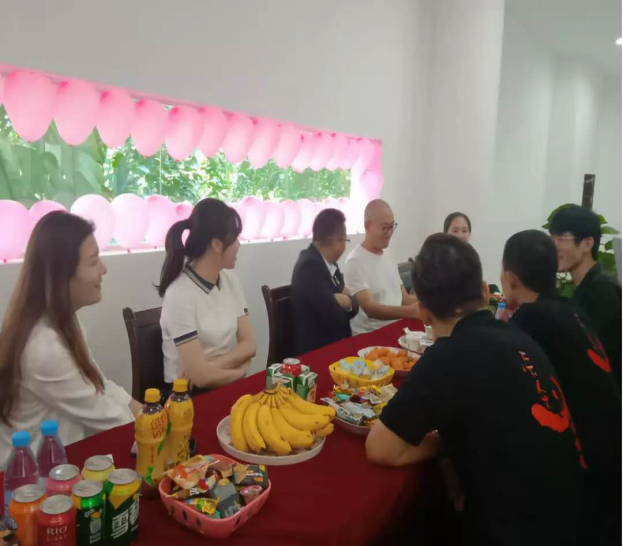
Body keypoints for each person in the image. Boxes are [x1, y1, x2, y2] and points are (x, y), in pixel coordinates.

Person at [366, 234, 584, 546]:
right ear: (484, 291)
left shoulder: (447, 356)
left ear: (423, 312)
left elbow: (380, 448)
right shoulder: (519, 337)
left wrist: (442, 442)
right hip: (580, 515)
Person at [501, 229, 621, 545]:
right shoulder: (569, 309)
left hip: (585, 489)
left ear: (510, 278)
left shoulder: (529, 322)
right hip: (612, 458)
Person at [0, 212, 139, 464]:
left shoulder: (62, 321)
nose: (103, 269)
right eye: (93, 262)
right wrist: (154, 426)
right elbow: (107, 417)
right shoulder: (44, 346)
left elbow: (98, 383)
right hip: (31, 476)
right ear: (61, 274)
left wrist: (144, 411)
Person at [159, 198, 255, 391]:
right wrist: (240, 372)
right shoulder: (179, 294)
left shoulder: (229, 278)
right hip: (186, 396)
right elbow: (200, 379)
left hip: (223, 382)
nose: (239, 245)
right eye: (235, 239)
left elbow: (249, 345)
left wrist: (212, 365)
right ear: (217, 244)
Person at [549, 205, 621, 389]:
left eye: (561, 239)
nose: (554, 247)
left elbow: (605, 359)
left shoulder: (603, 291)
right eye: (552, 239)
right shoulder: (586, 287)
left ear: (587, 244)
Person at [343, 199, 419, 334]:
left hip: (398, 329)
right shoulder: (354, 262)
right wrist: (411, 312)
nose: (389, 233)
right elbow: (371, 309)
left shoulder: (388, 256)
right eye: (385, 228)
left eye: (392, 226)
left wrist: (430, 302)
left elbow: (404, 299)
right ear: (368, 226)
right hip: (370, 336)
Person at [291, 209, 359, 354]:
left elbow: (355, 307)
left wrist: (347, 301)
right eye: (345, 240)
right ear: (336, 241)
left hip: (335, 345)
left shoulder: (330, 263)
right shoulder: (309, 267)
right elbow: (334, 318)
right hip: (317, 353)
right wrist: (347, 301)